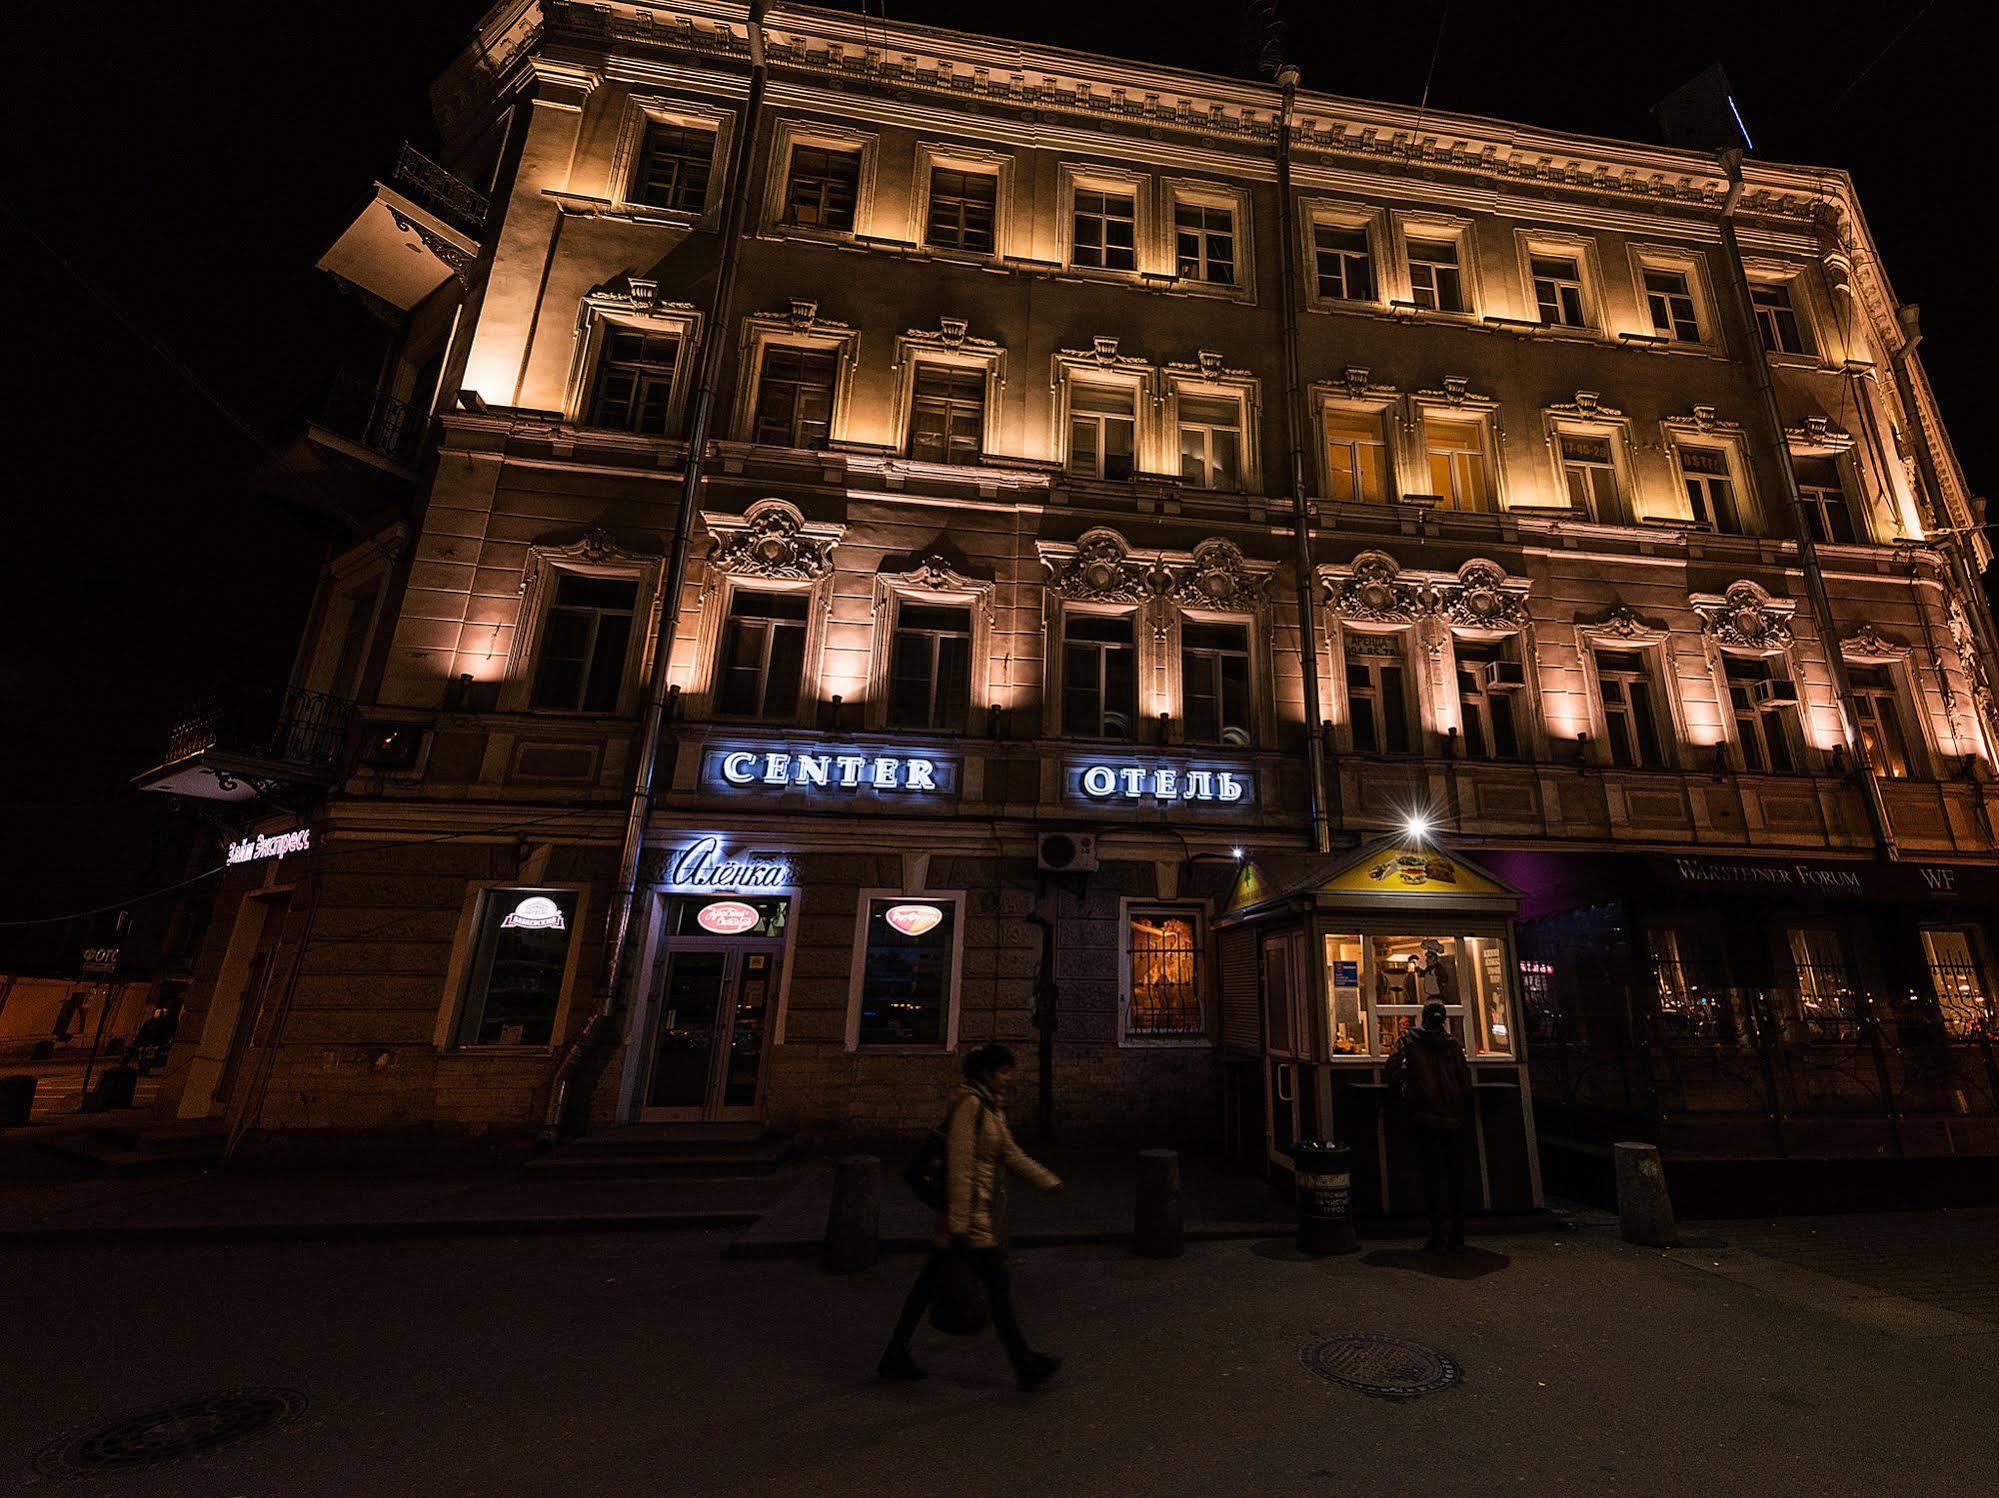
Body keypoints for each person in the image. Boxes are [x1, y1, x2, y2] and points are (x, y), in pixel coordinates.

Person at [880, 1043, 1065, 1390]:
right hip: (966, 1222)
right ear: (986, 1073)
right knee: (997, 1290)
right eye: (1004, 1072)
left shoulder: (991, 1109)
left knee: (927, 1288)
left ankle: (894, 1354)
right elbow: (961, 1168)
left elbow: (1010, 1153)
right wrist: (962, 1225)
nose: (1009, 1079)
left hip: (965, 1221)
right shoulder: (970, 1107)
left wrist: (1048, 1181)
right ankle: (1023, 1363)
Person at [1384, 999, 1476, 1252]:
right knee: (1455, 1175)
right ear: (1444, 1019)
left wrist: (1406, 1089)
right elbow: (1465, 1079)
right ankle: (1458, 1234)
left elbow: (1392, 1069)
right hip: (1453, 1118)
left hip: (1425, 1116)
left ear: (1422, 1017)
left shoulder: (1408, 1041)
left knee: (1432, 1176)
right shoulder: (1454, 1045)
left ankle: (1437, 1235)